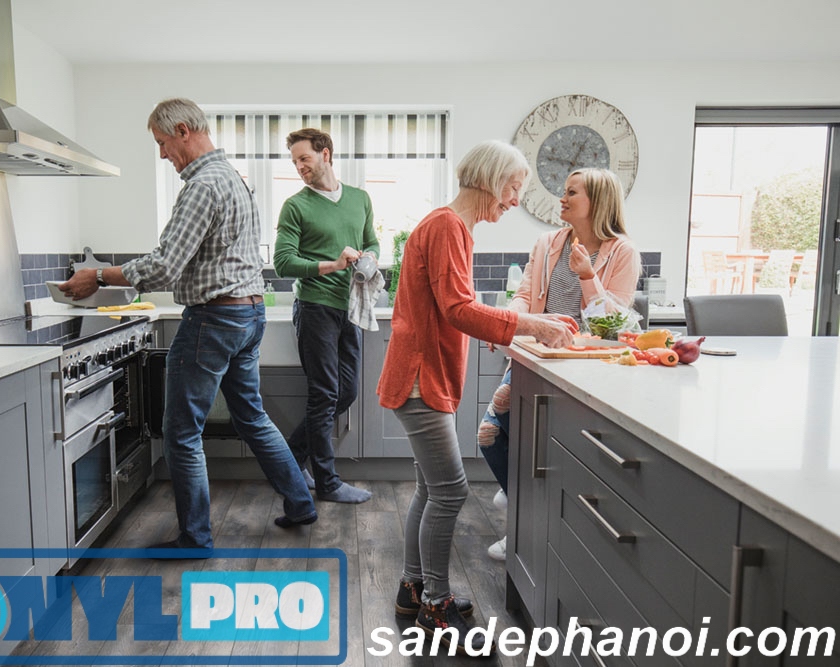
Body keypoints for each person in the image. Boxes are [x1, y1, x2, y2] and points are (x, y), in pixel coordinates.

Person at [60, 98, 317, 553]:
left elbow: (164, 268)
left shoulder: (202, 185)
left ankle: (195, 538)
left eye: (161, 143)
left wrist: (98, 275)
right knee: (253, 417)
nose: (162, 154)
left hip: (214, 320)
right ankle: (300, 503)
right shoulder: (234, 179)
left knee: (181, 430)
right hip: (247, 314)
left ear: (182, 130)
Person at [376, 140, 577, 651]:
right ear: (490, 179)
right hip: (422, 379)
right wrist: (528, 323)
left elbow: (451, 308)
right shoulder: (448, 227)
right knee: (449, 491)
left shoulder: (446, 225)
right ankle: (437, 607)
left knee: (430, 489)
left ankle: (413, 589)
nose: (514, 200)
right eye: (513, 187)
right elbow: (459, 308)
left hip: (422, 377)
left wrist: (504, 325)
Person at [480, 167, 641, 561]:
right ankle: (520, 502)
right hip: (537, 354)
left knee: (551, 453)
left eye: (572, 193)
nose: (562, 199)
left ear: (597, 201)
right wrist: (505, 325)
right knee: (488, 435)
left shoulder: (622, 252)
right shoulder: (548, 242)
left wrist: (588, 274)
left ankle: (526, 528)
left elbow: (613, 323)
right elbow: (523, 295)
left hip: (584, 366)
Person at [273, 128, 378, 504]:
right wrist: (332, 265)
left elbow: (372, 241)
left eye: (305, 158)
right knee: (323, 395)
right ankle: (328, 483)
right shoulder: (295, 206)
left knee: (345, 391)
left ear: (326, 154)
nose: (300, 167)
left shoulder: (360, 199)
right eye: (295, 161)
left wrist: (370, 258)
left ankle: (287, 459)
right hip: (315, 306)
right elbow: (283, 263)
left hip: (350, 306)